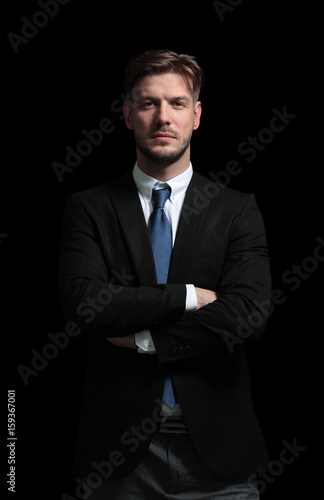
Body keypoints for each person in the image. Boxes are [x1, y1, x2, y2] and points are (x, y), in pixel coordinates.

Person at [58, 49, 271, 499]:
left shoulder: (236, 210)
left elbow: (249, 317)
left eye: (176, 103)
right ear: (127, 114)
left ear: (196, 115)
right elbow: (84, 306)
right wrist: (192, 295)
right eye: (148, 103)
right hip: (119, 461)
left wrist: (142, 339)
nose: (162, 117)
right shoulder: (89, 208)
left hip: (219, 458)